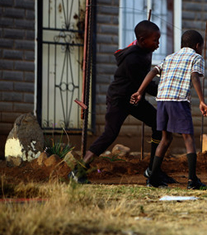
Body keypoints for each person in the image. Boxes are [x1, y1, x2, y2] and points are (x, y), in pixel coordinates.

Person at [69, 20, 169, 184]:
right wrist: (167, 92)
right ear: (143, 40)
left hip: (134, 99)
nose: (158, 43)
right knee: (110, 134)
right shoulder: (133, 59)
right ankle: (78, 171)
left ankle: (154, 171)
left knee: (159, 124)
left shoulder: (146, 50)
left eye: (158, 39)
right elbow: (144, 84)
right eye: (155, 40)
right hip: (119, 99)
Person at [131, 30, 207, 190]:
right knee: (188, 139)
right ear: (197, 46)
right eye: (201, 47)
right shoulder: (196, 57)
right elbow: (195, 77)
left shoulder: (170, 57)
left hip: (162, 100)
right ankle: (192, 180)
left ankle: (152, 179)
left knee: (166, 139)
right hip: (178, 101)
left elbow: (153, 71)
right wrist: (202, 100)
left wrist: (140, 91)